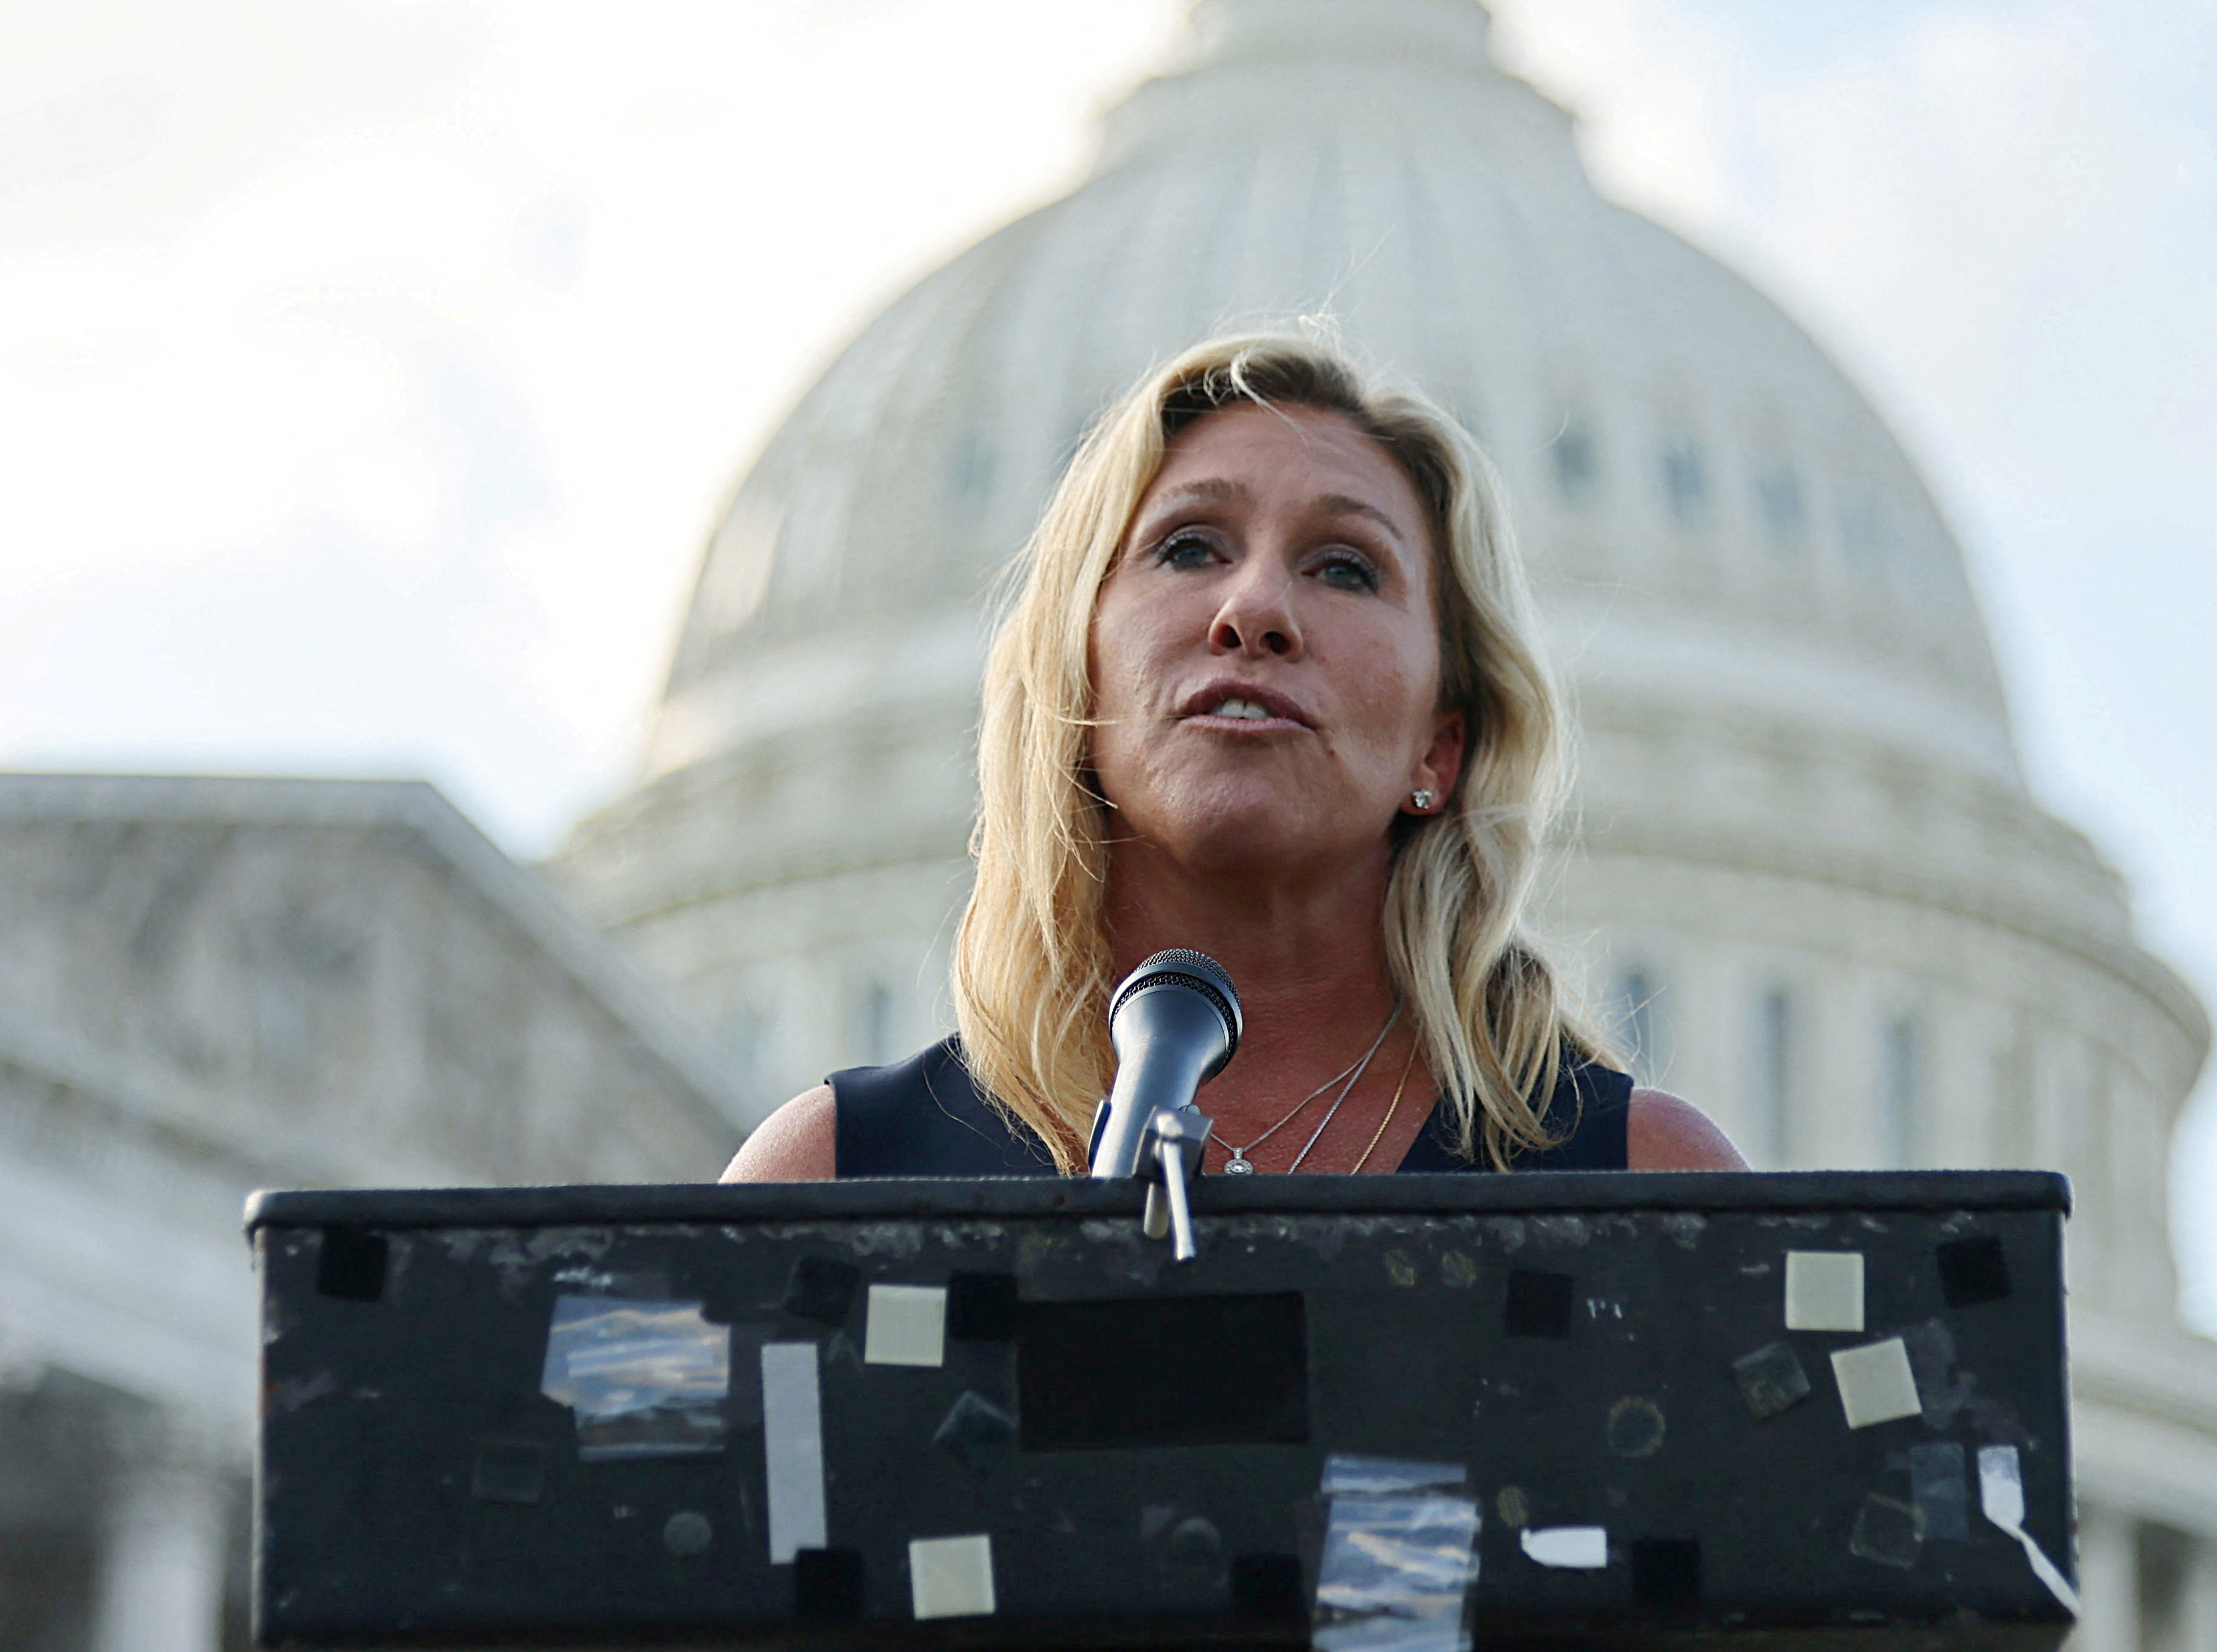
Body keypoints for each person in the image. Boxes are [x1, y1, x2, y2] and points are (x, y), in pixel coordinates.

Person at [724, 332, 1743, 1181]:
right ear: (1077, 682)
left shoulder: (1650, 1186)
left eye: (1344, 568)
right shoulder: (830, 1176)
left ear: (1441, 746)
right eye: (1189, 547)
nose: (1253, 610)